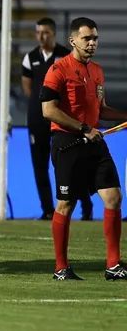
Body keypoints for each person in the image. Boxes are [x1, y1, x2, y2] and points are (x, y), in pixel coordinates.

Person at [40, 17, 126, 281]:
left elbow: (101, 110)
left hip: (95, 144)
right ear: (72, 40)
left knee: (114, 198)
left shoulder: (97, 71)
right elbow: (48, 110)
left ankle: (113, 265)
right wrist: (83, 128)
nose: (92, 43)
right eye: (87, 38)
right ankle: (61, 268)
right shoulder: (58, 69)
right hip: (69, 144)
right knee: (66, 203)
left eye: (95, 38)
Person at [21, 17, 92, 220]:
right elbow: (29, 90)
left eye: (45, 33)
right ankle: (47, 210)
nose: (41, 37)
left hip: (63, 118)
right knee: (40, 165)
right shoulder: (30, 58)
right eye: (38, 33)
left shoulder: (66, 55)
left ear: (53, 33)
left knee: (71, 163)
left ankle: (85, 208)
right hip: (37, 118)